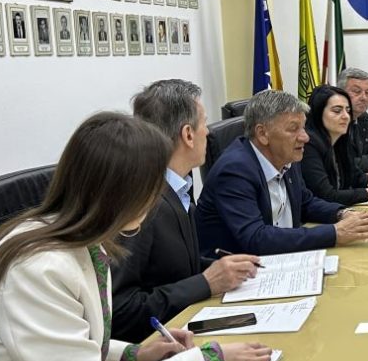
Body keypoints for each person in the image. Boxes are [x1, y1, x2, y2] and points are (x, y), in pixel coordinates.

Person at [0, 112, 272, 361]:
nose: (157, 197)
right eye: (153, 186)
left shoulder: (87, 241)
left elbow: (70, 346)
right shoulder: (38, 268)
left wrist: (135, 355)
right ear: (123, 191)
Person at [112, 81, 261, 343]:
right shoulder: (139, 206)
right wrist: (206, 282)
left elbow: (172, 270)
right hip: (154, 349)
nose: (209, 133)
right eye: (205, 123)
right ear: (188, 134)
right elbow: (120, 312)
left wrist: (223, 269)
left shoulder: (178, 188)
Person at [196, 90, 368, 256]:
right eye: (293, 129)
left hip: (284, 260)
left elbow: (306, 202)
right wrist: (334, 233)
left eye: (303, 128)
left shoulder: (286, 157)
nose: (305, 137)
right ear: (263, 133)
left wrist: (343, 214)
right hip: (240, 277)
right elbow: (256, 238)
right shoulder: (234, 170)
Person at [301, 85, 368, 205]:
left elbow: (353, 174)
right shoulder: (308, 145)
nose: (346, 116)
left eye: (348, 110)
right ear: (319, 113)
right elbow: (326, 195)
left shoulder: (339, 139)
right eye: (337, 111)